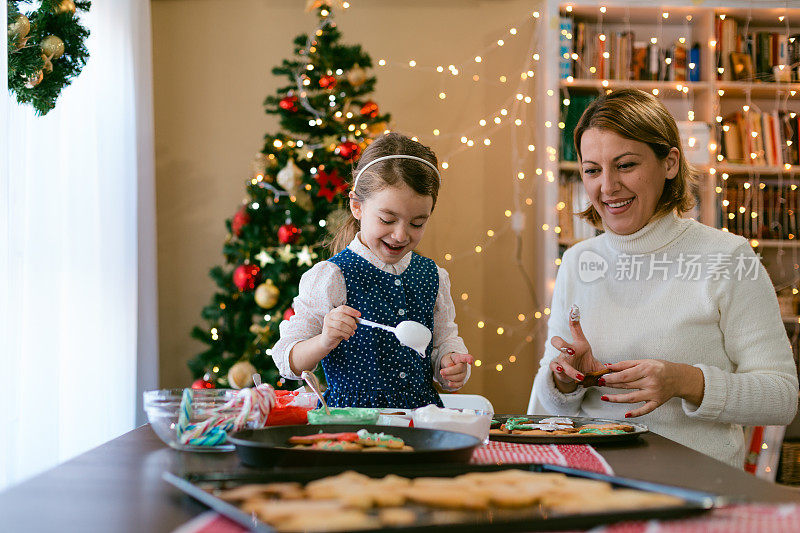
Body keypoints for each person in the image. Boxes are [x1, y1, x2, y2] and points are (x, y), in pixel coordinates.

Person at [530, 88, 798, 467]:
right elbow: (546, 403)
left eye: (625, 165)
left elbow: (782, 397)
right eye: (592, 170)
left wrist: (684, 381)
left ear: (670, 163)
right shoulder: (578, 260)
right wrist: (567, 378)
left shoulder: (728, 258)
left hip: (695, 483)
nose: (606, 187)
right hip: (593, 478)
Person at [273, 132, 473, 408]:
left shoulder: (433, 276)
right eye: (387, 219)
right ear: (357, 206)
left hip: (422, 424)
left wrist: (450, 362)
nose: (401, 235)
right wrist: (325, 340)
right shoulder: (331, 277)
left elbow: (444, 342)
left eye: (417, 223)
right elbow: (288, 360)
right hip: (353, 427)